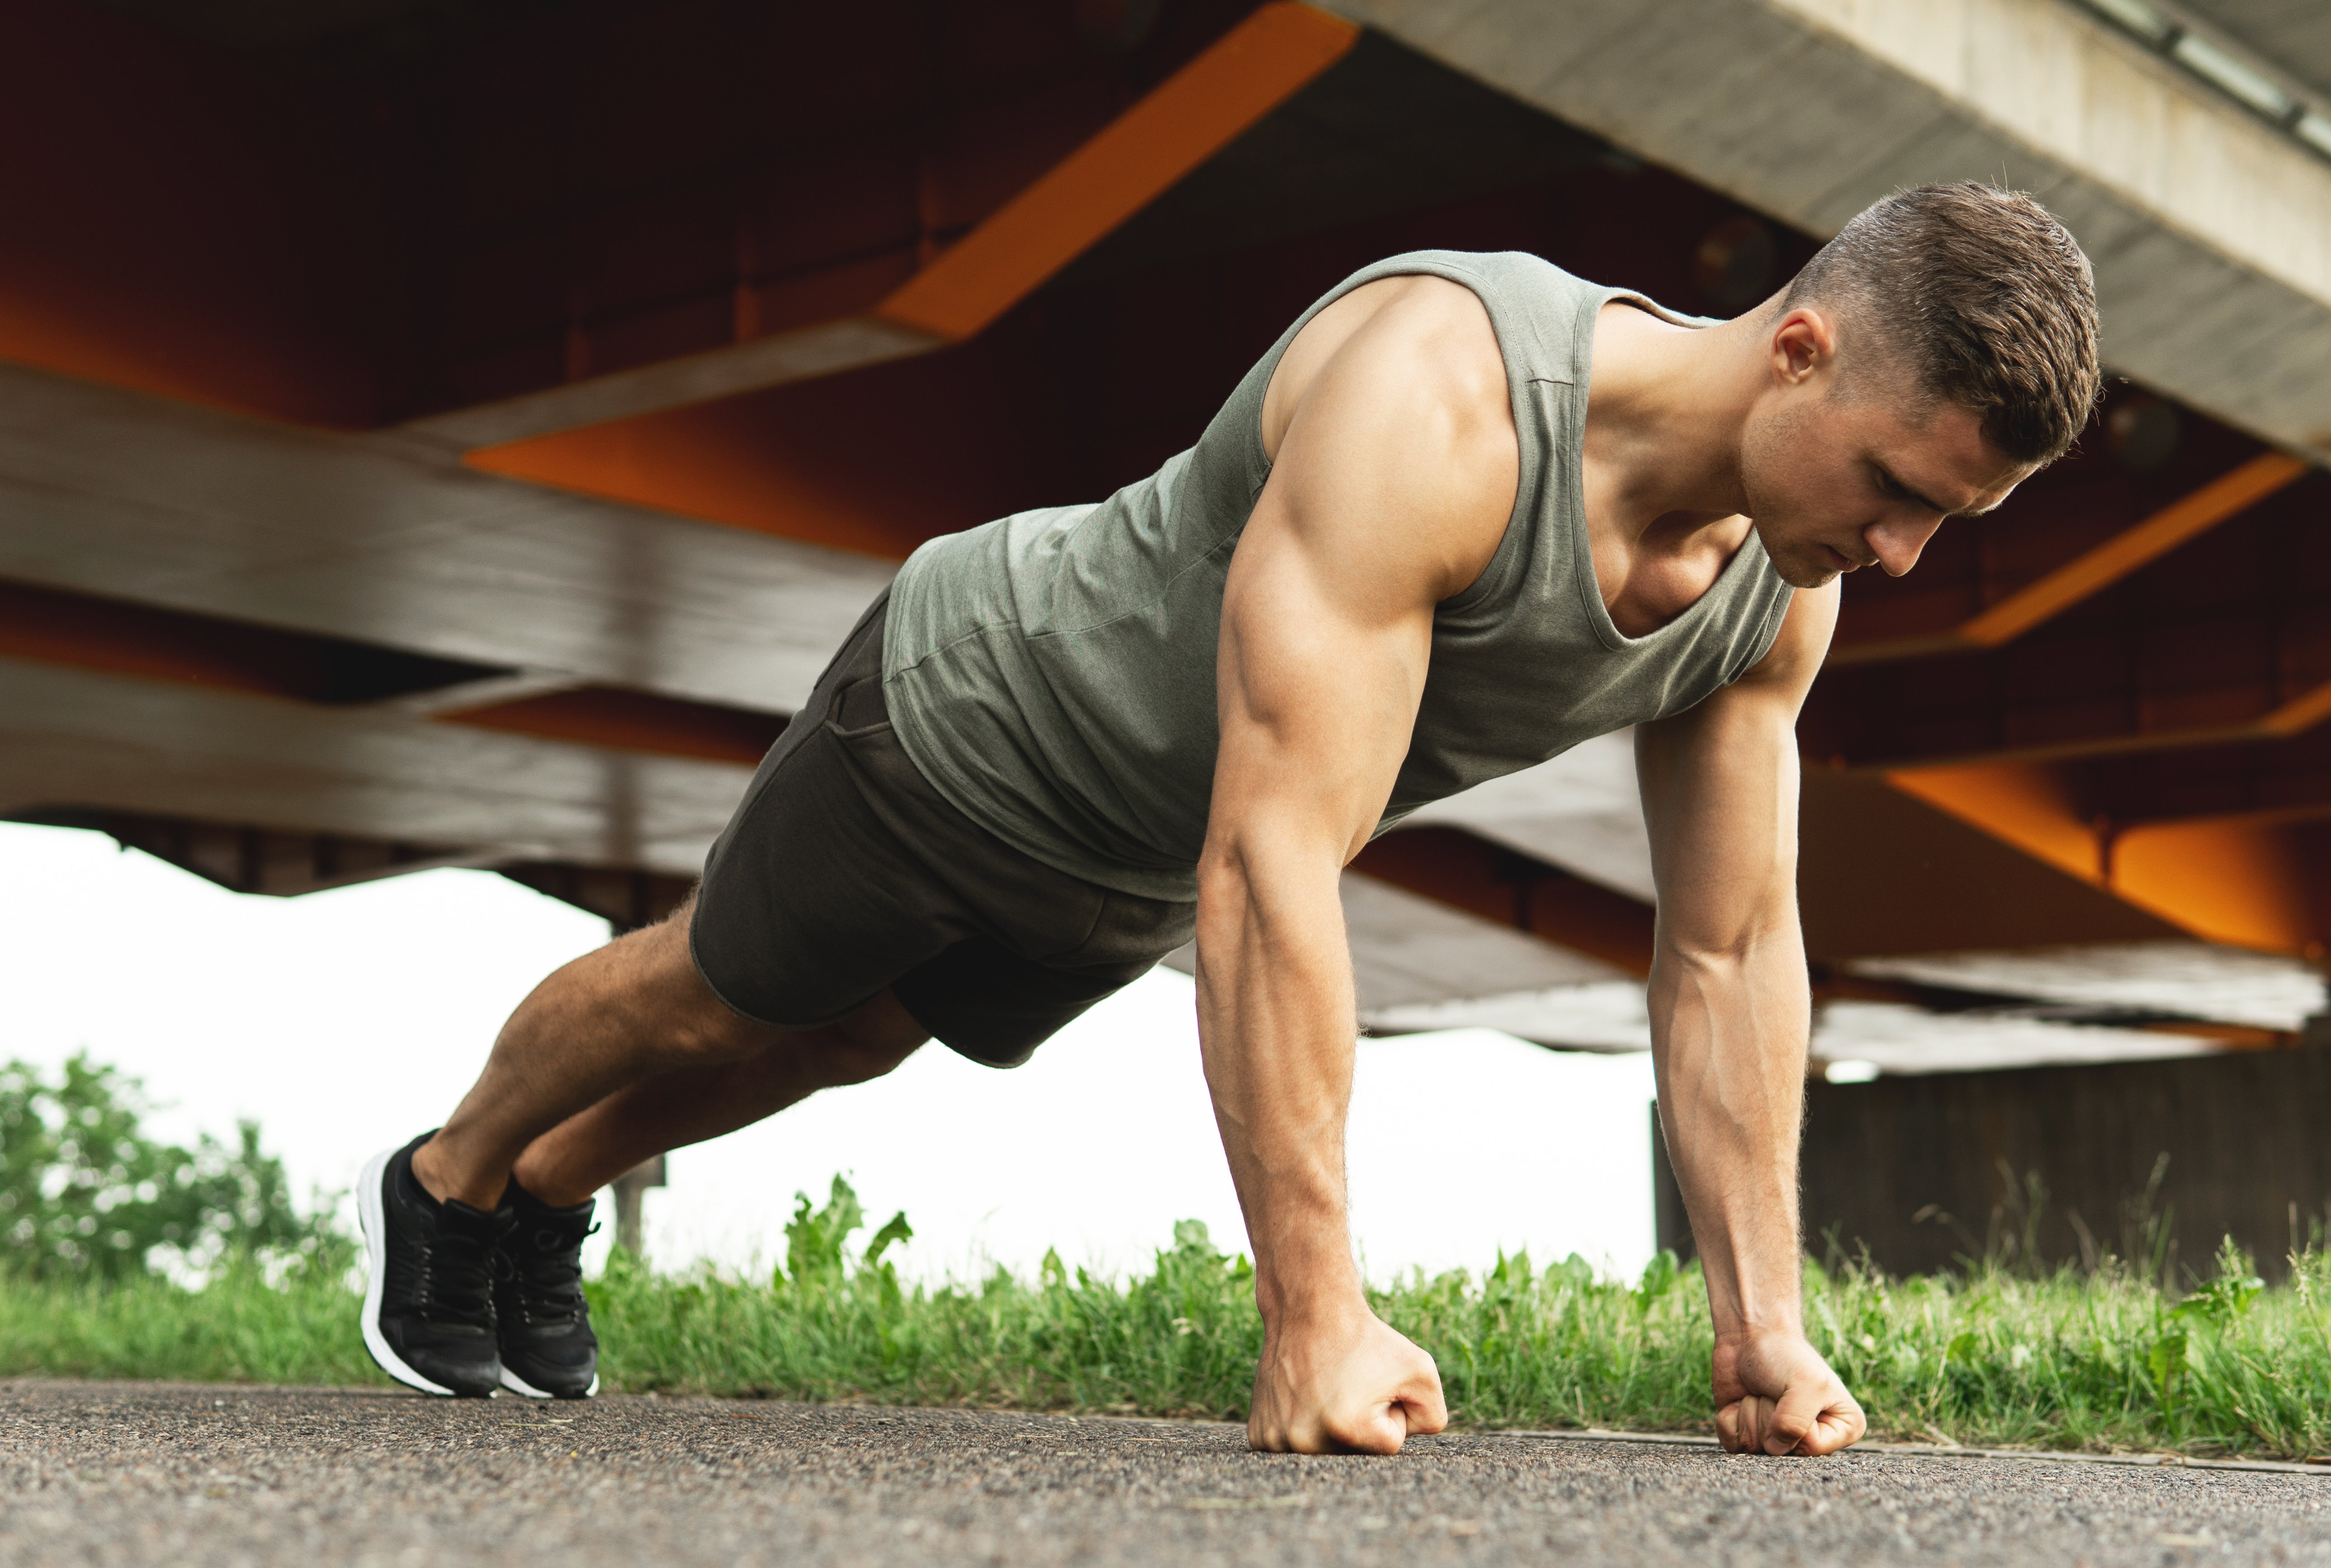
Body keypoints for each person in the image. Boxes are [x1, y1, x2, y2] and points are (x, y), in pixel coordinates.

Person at [357, 181, 2099, 1451]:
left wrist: (1762, 1328)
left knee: (849, 1041)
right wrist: (1315, 1316)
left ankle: (540, 1197)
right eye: (1892, 488)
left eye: (1945, 520)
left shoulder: (1777, 592)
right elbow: (1277, 856)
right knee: (717, 991)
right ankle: (447, 1180)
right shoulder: (1450, 397)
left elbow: (1726, 950)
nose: (1899, 554)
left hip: (1128, 851)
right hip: (985, 710)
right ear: (1797, 351)